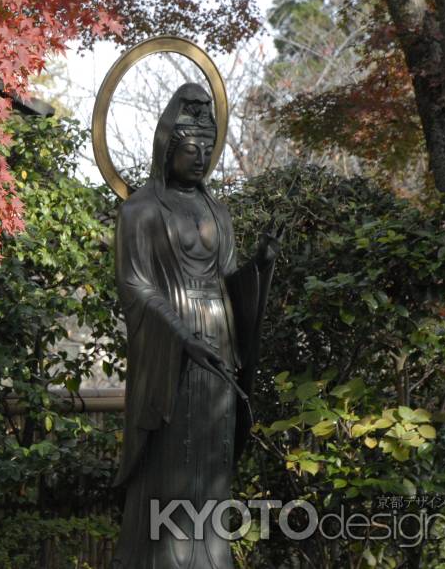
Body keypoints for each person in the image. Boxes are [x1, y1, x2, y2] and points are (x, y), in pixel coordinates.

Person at [112, 82, 279, 569]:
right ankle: (161, 557)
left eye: (208, 148)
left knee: (212, 453)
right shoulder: (140, 210)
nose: (202, 158)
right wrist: (182, 337)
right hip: (171, 349)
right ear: (168, 148)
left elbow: (228, 281)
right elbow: (135, 286)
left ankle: (211, 556)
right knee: (173, 454)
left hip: (220, 343)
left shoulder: (217, 212)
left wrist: (261, 264)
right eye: (192, 149)